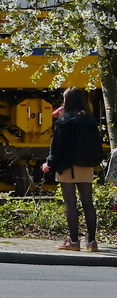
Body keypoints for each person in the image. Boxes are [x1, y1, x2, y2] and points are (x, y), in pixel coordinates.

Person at [43, 87, 101, 251]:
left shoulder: (64, 122)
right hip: (87, 165)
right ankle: (92, 242)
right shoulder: (90, 120)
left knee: (71, 203)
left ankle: (74, 241)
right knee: (88, 202)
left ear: (67, 101)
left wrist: (49, 163)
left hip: (68, 166)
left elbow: (58, 147)